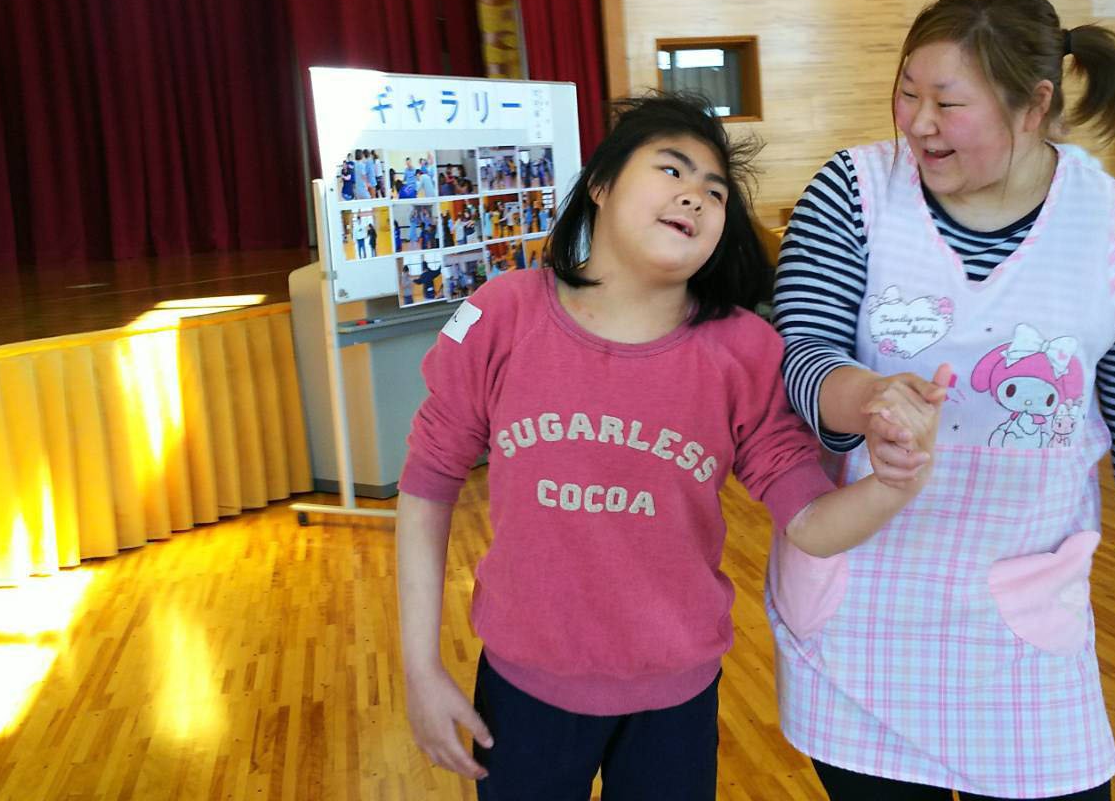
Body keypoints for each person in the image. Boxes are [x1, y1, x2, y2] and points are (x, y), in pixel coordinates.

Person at [398, 93, 950, 800]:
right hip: (522, 690)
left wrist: (894, 482)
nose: (696, 197)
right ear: (601, 184)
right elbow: (428, 484)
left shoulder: (744, 352)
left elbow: (811, 523)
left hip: (676, 702)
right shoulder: (502, 315)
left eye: (715, 192)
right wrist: (420, 668)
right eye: (672, 170)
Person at [769, 0, 1115, 801]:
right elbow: (802, 354)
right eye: (908, 92)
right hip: (861, 614)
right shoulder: (854, 192)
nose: (918, 123)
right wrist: (868, 398)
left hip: (1020, 612)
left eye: (948, 102)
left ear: (1035, 104)